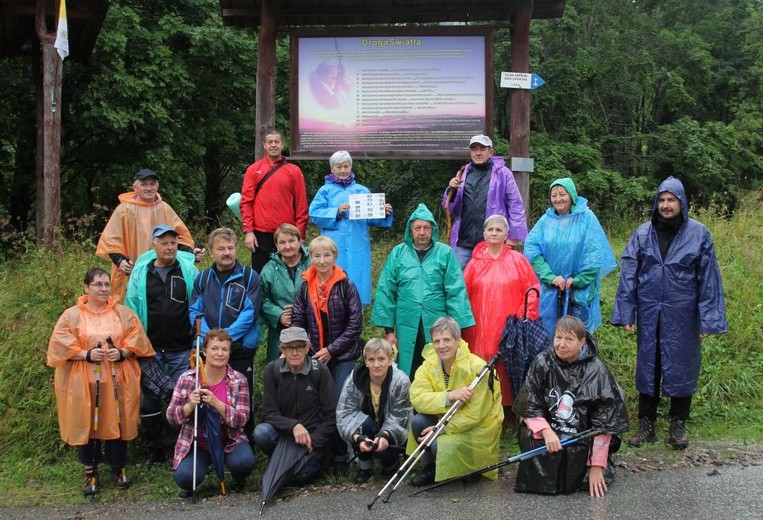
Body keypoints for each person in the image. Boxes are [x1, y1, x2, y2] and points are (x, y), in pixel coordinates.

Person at [612, 176, 727, 450]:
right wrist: (627, 312)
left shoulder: (699, 234)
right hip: (650, 309)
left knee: (682, 364)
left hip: (683, 311)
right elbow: (629, 273)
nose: (666, 205)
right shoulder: (642, 234)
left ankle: (678, 423)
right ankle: (646, 422)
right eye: (662, 200)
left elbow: (708, 278)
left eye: (671, 200)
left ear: (681, 202)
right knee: (648, 364)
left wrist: (709, 316)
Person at [47, 267, 154, 495]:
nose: (104, 289)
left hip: (117, 378)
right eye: (98, 284)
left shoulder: (122, 313)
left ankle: (118, 467)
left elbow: (137, 338)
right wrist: (85, 354)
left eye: (106, 284)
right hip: (84, 379)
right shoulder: (72, 315)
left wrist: (123, 352)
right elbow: (59, 344)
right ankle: (90, 470)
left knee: (118, 419)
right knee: (87, 421)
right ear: (86, 287)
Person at [513, 315, 629, 497]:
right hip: (549, 428)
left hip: (580, 434)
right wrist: (546, 431)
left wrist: (596, 465)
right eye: (558, 338)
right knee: (528, 434)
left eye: (569, 339)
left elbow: (605, 422)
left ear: (582, 342)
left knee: (578, 450)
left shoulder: (596, 369)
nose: (561, 344)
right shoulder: (543, 362)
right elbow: (529, 403)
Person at [124, 224, 199, 468]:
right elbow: (131, 310)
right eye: (164, 243)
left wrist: (197, 337)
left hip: (180, 347)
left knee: (178, 399)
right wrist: (136, 344)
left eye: (173, 243)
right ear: (153, 245)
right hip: (150, 350)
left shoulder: (188, 270)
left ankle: (173, 448)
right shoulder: (141, 273)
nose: (169, 247)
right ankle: (151, 449)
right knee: (149, 402)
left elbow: (198, 305)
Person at [371, 203, 475, 378]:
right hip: (405, 321)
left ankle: (436, 403)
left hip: (437, 320)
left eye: (426, 228)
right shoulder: (398, 253)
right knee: (408, 367)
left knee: (438, 367)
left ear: (432, 230)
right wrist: (389, 331)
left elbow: (455, 290)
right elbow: (386, 290)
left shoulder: (445, 253)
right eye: (417, 227)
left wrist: (457, 329)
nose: (421, 232)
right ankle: (408, 403)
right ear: (410, 230)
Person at [407, 317, 503, 487]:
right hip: (444, 419)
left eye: (447, 340)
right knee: (418, 421)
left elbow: (476, 415)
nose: (441, 345)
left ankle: (470, 467)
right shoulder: (428, 365)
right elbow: (417, 398)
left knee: (438, 444)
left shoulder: (477, 367)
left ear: (458, 341)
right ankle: (431, 467)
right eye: (437, 341)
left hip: (476, 428)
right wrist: (449, 396)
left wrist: (441, 429)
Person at [189, 228, 261, 437]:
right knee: (210, 391)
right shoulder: (202, 279)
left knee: (242, 393)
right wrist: (209, 340)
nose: (226, 252)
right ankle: (209, 438)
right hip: (209, 349)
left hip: (241, 348)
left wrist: (225, 338)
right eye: (220, 248)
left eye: (230, 248)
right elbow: (195, 311)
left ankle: (245, 438)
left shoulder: (249, 277)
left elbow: (250, 313)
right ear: (211, 252)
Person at [524, 177, 617, 339]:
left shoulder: (586, 218)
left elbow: (594, 255)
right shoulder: (545, 221)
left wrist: (578, 280)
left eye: (562, 194)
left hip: (579, 290)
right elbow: (532, 250)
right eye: (554, 195)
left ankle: (580, 364)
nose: (558, 199)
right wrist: (550, 276)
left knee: (578, 335)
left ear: (572, 196)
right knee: (551, 333)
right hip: (552, 289)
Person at [462, 214, 541, 406]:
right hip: (479, 327)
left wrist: (526, 316)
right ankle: (483, 405)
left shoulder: (518, 260)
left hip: (511, 326)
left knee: (509, 363)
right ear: (484, 234)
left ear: (506, 234)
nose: (494, 233)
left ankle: (509, 406)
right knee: (482, 359)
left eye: (499, 229)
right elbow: (462, 294)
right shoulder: (474, 263)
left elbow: (532, 289)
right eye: (490, 229)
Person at [167, 328, 256, 497]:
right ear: (204, 351)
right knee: (185, 478)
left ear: (230, 353)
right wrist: (189, 406)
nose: (220, 354)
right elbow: (171, 417)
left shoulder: (239, 380)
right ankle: (199, 468)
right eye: (214, 348)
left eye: (225, 349)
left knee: (244, 462)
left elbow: (242, 419)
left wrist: (217, 403)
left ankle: (238, 476)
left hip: (229, 441)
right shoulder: (187, 378)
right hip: (197, 445)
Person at [95, 168, 204, 302]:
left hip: (162, 271)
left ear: (157, 186)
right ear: (135, 186)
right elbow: (111, 241)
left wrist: (192, 252)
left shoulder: (164, 208)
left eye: (152, 184)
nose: (148, 188)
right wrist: (120, 260)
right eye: (144, 184)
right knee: (129, 312)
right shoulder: (123, 210)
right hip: (131, 272)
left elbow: (180, 238)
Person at [253, 327, 338, 484]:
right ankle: (281, 460)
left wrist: (315, 440)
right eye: (289, 347)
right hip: (285, 434)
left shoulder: (320, 371)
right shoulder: (272, 370)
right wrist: (293, 426)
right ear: (281, 349)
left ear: (307, 347)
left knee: (300, 476)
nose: (294, 352)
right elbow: (268, 412)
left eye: (299, 346)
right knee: (261, 432)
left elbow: (331, 414)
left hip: (312, 437)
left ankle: (306, 462)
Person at [308, 151, 393, 305]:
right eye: (338, 167)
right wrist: (336, 212)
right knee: (332, 274)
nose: (342, 170)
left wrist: (384, 213)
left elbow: (372, 219)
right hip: (334, 243)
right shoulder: (325, 191)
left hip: (357, 243)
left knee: (357, 276)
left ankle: (357, 312)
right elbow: (314, 213)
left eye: (346, 166)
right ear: (332, 169)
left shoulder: (362, 190)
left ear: (351, 167)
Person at [442, 134, 527, 269]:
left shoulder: (503, 173)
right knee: (458, 282)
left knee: (492, 282)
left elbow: (515, 205)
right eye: (474, 149)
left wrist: (513, 236)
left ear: (490, 152)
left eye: (482, 149)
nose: (478, 153)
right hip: (464, 242)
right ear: (470, 153)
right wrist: (450, 191)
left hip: (492, 242)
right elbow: (452, 208)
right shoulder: (462, 173)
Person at [291, 235, 363, 394]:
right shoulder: (304, 288)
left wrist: (331, 350)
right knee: (316, 400)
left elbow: (355, 325)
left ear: (335, 256)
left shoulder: (347, 286)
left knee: (340, 400)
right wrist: (303, 348)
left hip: (344, 355)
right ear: (310, 257)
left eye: (327, 255)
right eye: (316, 256)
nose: (322, 261)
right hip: (315, 354)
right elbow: (297, 321)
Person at [336, 338, 412, 483]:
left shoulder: (401, 381)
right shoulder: (354, 379)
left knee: (386, 455)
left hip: (390, 434)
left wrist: (385, 434)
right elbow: (344, 414)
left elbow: (401, 415)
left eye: (381, 359)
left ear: (390, 359)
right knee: (364, 424)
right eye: (371, 359)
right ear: (365, 361)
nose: (376, 365)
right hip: (366, 429)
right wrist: (358, 438)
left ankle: (391, 464)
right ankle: (364, 467)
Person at [240, 129, 308, 273]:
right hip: (260, 234)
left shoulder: (293, 171)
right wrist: (248, 231)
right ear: (264, 145)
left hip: (286, 234)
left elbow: (301, 205)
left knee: (288, 273)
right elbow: (246, 202)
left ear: (282, 144)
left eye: (277, 142)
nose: (273, 145)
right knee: (260, 274)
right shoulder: (253, 170)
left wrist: (300, 235)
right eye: (269, 142)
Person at [259, 224, 311, 363]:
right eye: (282, 242)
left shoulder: (313, 262)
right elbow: (262, 299)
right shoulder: (269, 269)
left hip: (310, 326)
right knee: (278, 370)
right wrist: (279, 315)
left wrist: (302, 310)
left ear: (299, 241)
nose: (287, 246)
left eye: (291, 241)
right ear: (276, 245)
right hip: (280, 329)